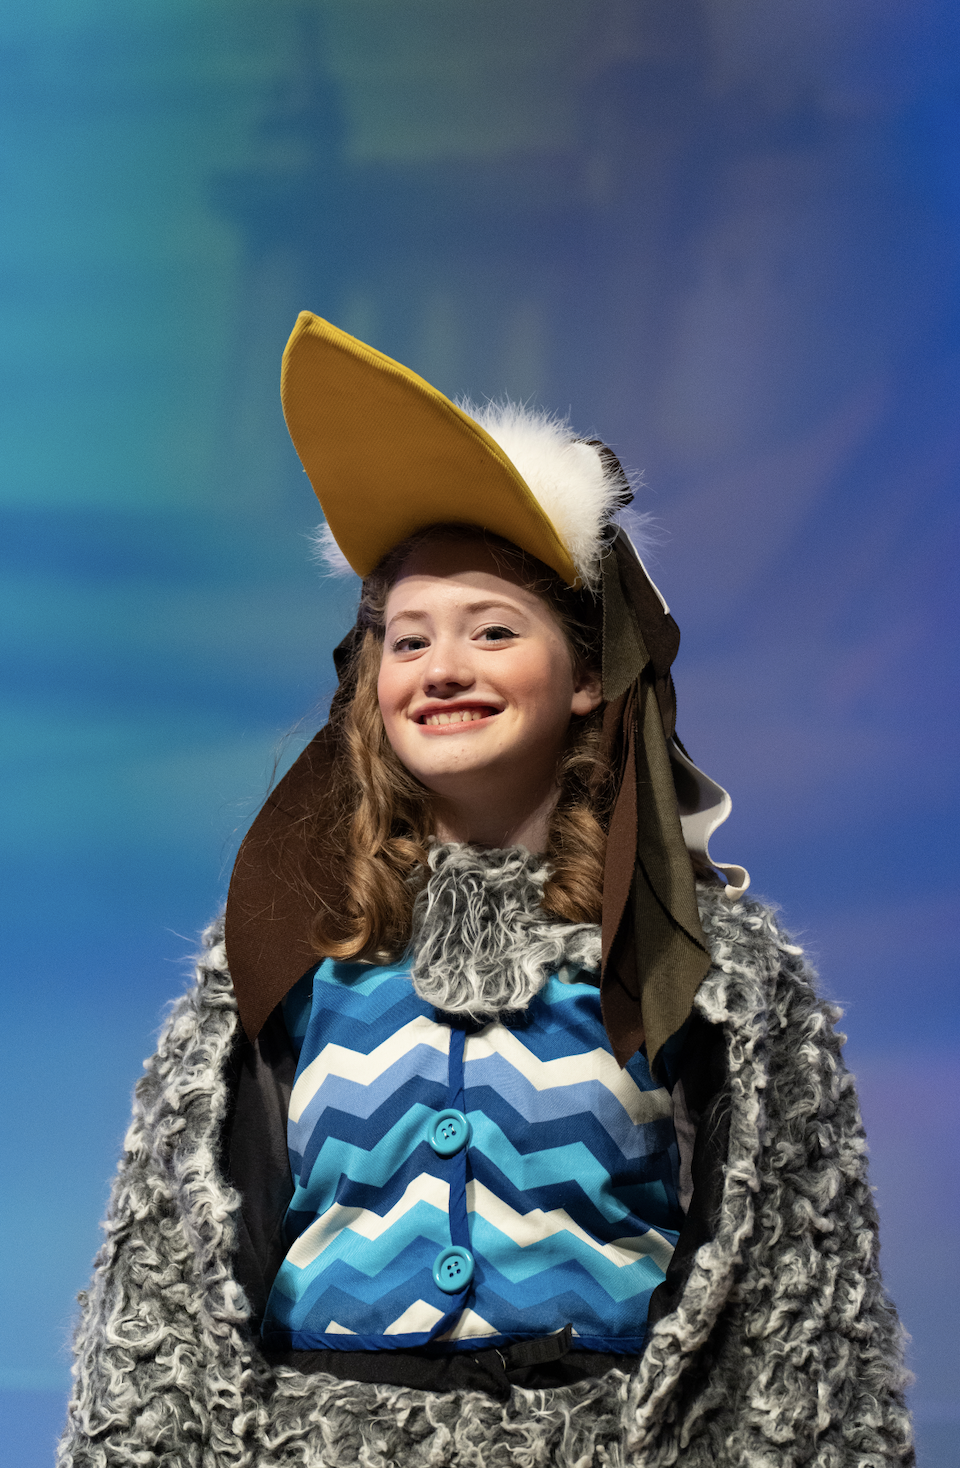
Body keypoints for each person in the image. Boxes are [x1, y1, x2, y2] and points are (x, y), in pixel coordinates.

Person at [59, 316, 914, 1466]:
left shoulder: (703, 966)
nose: (443, 669)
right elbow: (166, 1285)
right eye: (408, 642)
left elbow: (797, 1300)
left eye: (493, 630)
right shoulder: (287, 954)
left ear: (587, 673)